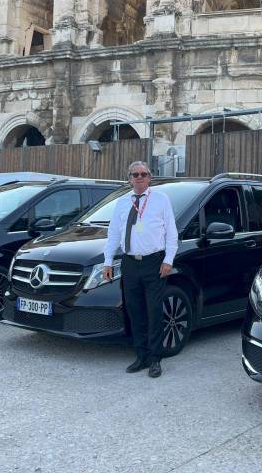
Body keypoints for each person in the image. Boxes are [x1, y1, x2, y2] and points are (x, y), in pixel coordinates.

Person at [103, 161, 178, 378]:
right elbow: (113, 234)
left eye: (143, 174)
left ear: (149, 177)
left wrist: (168, 260)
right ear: (129, 178)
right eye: (134, 174)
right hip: (129, 263)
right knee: (135, 311)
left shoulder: (161, 200)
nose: (139, 177)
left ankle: (155, 359)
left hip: (154, 263)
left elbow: (171, 233)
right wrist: (108, 261)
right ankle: (141, 356)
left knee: (154, 311)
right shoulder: (122, 203)